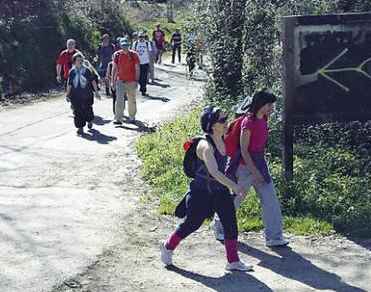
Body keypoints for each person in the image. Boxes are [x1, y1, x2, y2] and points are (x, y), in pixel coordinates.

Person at [159, 106, 253, 271]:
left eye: (226, 119)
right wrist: (235, 186)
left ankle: (232, 261)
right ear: (211, 125)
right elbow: (215, 172)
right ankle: (167, 246)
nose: (226, 123)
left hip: (219, 191)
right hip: (200, 193)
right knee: (192, 224)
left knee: (230, 223)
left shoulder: (223, 139)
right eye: (222, 120)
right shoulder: (205, 146)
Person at [212, 90, 289, 247]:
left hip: (260, 164)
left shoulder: (263, 119)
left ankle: (274, 237)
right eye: (269, 105)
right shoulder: (248, 122)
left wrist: (260, 169)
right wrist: (255, 173)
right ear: (260, 105)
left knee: (270, 199)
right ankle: (218, 226)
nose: (271, 108)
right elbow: (244, 150)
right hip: (244, 167)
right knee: (236, 198)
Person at [66, 53, 100, 135]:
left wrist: (96, 92)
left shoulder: (87, 71)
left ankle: (90, 120)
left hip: (87, 94)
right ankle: (80, 127)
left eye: (81, 60)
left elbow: (93, 81)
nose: (80, 62)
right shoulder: (72, 72)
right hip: (75, 95)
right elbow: (69, 83)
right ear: (74, 62)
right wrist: (67, 94)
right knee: (77, 111)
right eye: (78, 60)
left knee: (88, 109)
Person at [109, 37, 140, 124]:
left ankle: (132, 117)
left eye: (126, 45)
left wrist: (136, 80)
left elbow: (137, 68)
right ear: (120, 46)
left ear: (128, 45)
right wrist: (112, 81)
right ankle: (118, 118)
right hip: (120, 81)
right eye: (123, 45)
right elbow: (114, 68)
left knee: (131, 99)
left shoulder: (134, 55)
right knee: (119, 100)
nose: (125, 47)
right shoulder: (117, 55)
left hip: (131, 81)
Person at [133, 31, 155, 96]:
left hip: (145, 62)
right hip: (137, 63)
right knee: (139, 77)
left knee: (144, 77)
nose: (141, 38)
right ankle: (141, 85)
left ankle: (143, 89)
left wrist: (151, 62)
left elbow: (150, 52)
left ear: (144, 37)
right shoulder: (135, 43)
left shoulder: (147, 44)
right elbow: (133, 52)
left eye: (142, 37)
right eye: (139, 37)